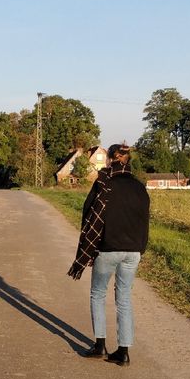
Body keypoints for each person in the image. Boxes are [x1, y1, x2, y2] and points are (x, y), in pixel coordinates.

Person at [67, 144, 149, 365]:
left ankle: (100, 346)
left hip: (108, 248)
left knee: (98, 294)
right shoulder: (140, 187)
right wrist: (141, 247)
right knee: (124, 298)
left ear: (111, 159)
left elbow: (90, 214)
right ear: (127, 160)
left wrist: (88, 249)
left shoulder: (104, 182)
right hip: (133, 251)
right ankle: (123, 352)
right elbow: (144, 220)